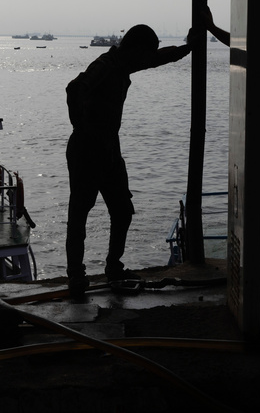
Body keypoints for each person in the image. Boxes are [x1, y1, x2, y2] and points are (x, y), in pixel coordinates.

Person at [65, 23, 200, 297]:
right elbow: (74, 88)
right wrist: (82, 127)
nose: (145, 61)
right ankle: (76, 275)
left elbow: (158, 58)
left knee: (122, 210)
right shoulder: (105, 65)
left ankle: (114, 267)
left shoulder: (125, 64)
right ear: (135, 49)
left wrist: (188, 47)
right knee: (80, 213)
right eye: (144, 54)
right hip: (87, 150)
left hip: (109, 151)